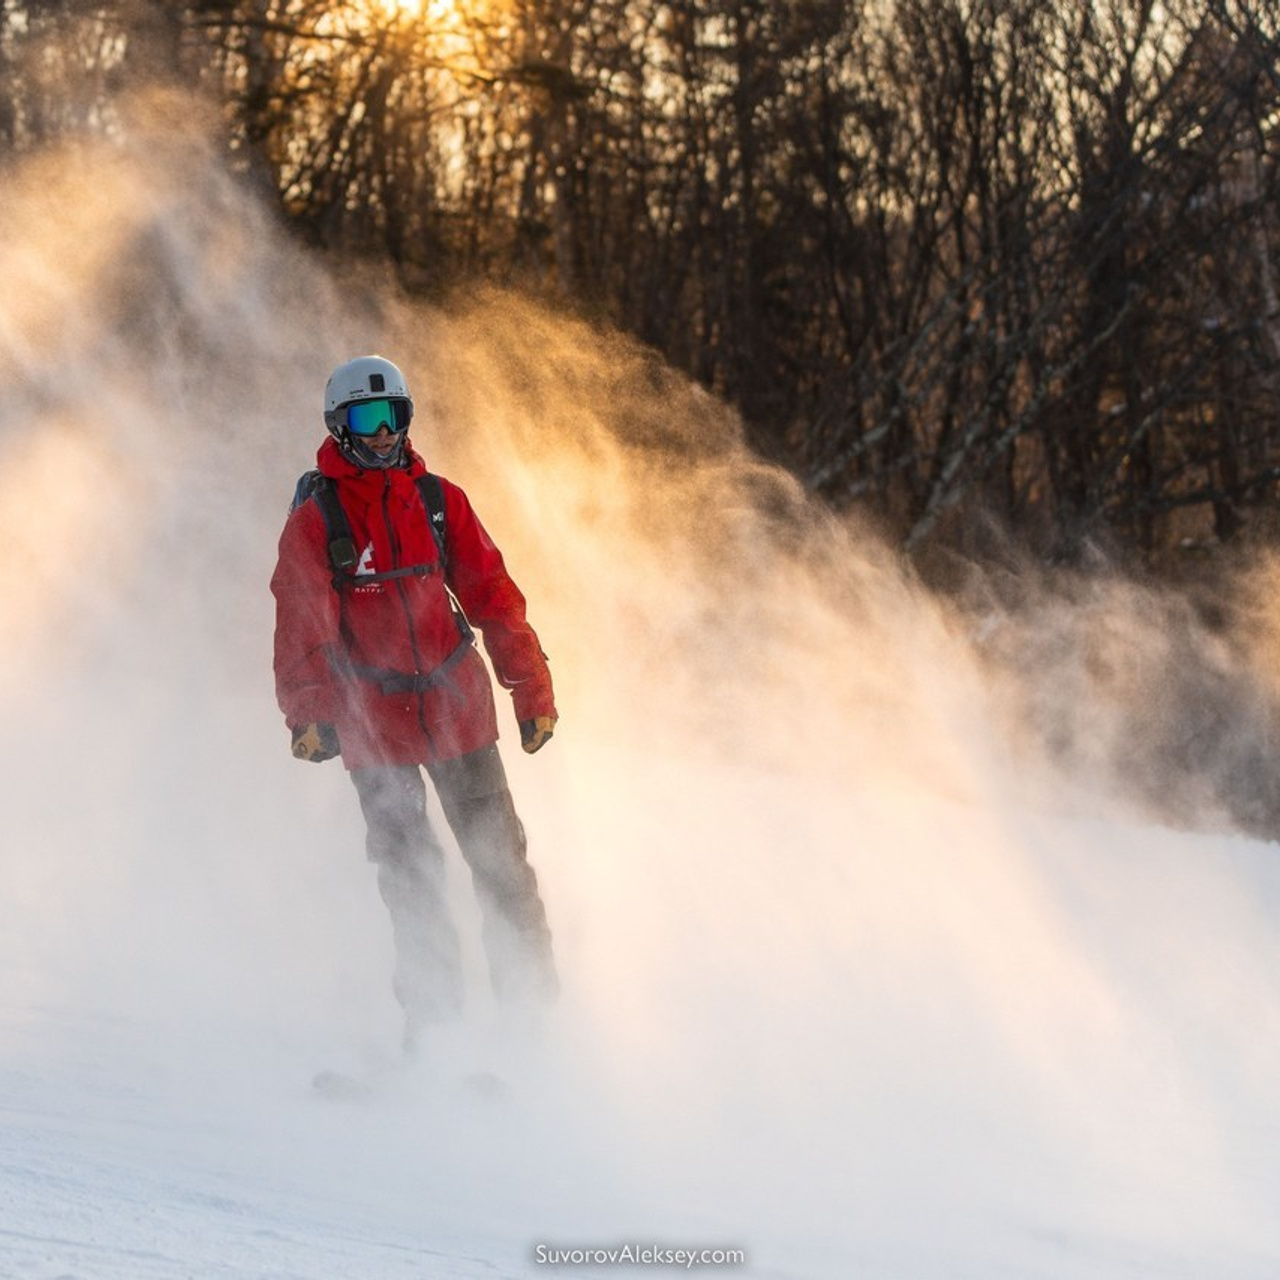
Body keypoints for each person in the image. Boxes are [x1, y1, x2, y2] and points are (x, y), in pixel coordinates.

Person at [271, 354, 559, 1051]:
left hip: (458, 708)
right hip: (374, 725)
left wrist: (530, 688)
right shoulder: (318, 522)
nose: (383, 434)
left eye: (394, 417)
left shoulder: (439, 501)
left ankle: (534, 1035)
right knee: (412, 879)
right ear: (340, 427)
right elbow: (301, 622)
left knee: (502, 868)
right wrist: (310, 714)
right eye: (369, 420)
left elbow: (494, 594)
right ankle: (437, 1038)